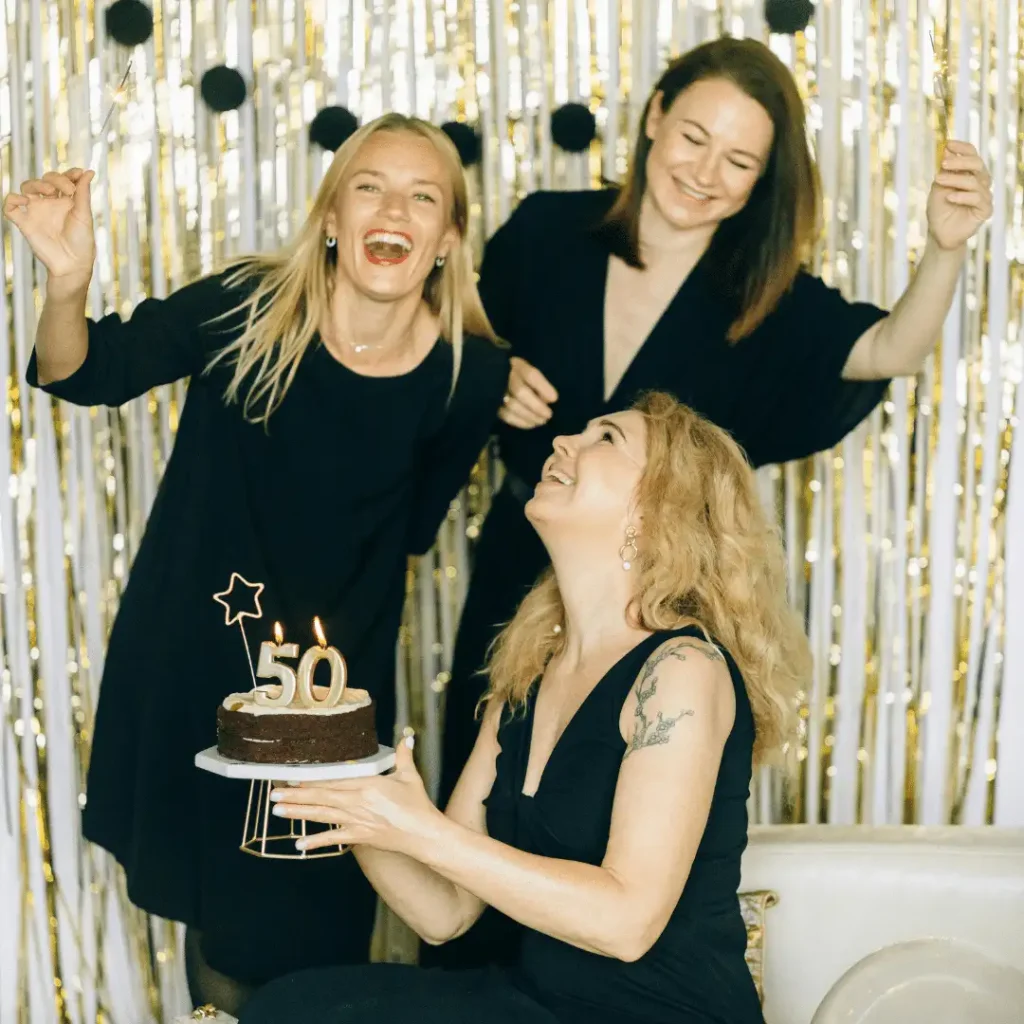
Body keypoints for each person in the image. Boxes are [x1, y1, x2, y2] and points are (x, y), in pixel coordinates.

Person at [431, 35, 993, 969]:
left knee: (613, 857)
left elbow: (889, 350)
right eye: (694, 138)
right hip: (516, 588)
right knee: (478, 837)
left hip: (653, 610)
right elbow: (454, 326)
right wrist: (489, 374)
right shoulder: (543, 233)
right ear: (653, 118)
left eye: (739, 162)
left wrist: (942, 250)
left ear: (765, 178)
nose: (705, 173)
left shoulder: (762, 298)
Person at [2, 114, 509, 1014]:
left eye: (422, 195)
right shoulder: (248, 308)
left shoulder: (469, 377)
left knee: (315, 937)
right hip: (194, 668)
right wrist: (68, 282)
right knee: (227, 941)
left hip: (329, 711)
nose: (394, 208)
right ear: (330, 218)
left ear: (446, 239)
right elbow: (81, 371)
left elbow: (417, 528)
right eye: (369, 187)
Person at [239, 392, 812, 1024]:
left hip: (664, 1014)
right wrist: (342, 789)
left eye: (607, 439)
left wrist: (417, 827)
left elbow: (626, 923)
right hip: (542, 1002)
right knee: (285, 1007)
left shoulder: (683, 670)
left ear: (657, 511)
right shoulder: (529, 670)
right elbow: (444, 912)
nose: (566, 441)